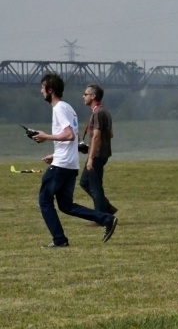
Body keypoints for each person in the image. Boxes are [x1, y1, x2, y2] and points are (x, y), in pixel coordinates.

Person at [32, 73, 118, 247]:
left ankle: (59, 240)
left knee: (44, 200)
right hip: (69, 164)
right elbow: (73, 137)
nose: (41, 91)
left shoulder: (59, 109)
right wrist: (55, 155)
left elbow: (69, 135)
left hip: (62, 166)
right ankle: (106, 218)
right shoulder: (68, 108)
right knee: (66, 205)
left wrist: (45, 137)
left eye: (42, 88)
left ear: (50, 90)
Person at [79, 84, 117, 216]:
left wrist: (90, 157)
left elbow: (96, 136)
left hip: (97, 154)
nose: (83, 96)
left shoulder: (98, 113)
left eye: (86, 94)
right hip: (101, 152)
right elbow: (110, 134)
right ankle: (106, 207)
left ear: (93, 96)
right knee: (85, 182)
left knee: (95, 186)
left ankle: (101, 215)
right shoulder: (104, 111)